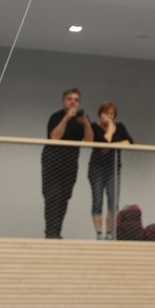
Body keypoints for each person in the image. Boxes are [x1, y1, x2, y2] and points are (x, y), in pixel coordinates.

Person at [42, 88, 94, 239]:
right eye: (70, 99)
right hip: (52, 161)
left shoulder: (82, 118)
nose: (73, 102)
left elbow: (90, 140)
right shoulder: (56, 117)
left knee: (64, 197)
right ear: (63, 102)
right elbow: (54, 137)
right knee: (53, 197)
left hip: (70, 163)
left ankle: (56, 232)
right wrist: (66, 118)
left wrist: (86, 124)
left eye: (76, 99)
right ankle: (50, 234)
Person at [88, 101, 132, 240]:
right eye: (106, 113)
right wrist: (110, 129)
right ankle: (99, 234)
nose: (109, 116)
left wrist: (112, 143)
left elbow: (129, 142)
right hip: (97, 168)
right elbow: (103, 140)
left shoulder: (120, 126)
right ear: (100, 113)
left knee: (113, 202)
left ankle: (109, 233)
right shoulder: (94, 127)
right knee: (97, 201)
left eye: (111, 114)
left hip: (113, 169)